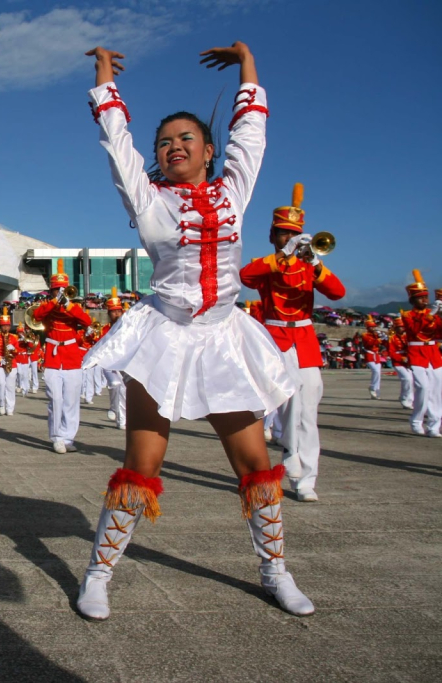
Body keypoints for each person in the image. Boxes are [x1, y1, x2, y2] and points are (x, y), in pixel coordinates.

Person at [77, 42, 312, 620]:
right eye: (165, 142)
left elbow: (251, 133)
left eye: (187, 139)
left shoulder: (234, 191)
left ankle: (275, 571)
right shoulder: (148, 199)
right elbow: (116, 142)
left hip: (224, 339)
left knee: (256, 463)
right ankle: (99, 575)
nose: (175, 146)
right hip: (164, 335)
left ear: (209, 150)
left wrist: (248, 63)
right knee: (143, 465)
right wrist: (105, 77)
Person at [239, 184, 346, 502]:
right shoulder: (270, 263)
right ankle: (290, 454)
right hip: (276, 339)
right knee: (286, 407)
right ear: (273, 236)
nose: (291, 238)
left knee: (308, 409)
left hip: (304, 339)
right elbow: (245, 276)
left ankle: (306, 479)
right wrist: (281, 256)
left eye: (295, 233)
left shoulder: (310, 266)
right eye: (284, 233)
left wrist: (315, 263)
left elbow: (338, 293)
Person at [31, 261, 93, 453]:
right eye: (56, 290)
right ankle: (57, 436)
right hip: (52, 357)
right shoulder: (48, 306)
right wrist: (53, 303)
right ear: (51, 291)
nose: (60, 293)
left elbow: (87, 320)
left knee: (71, 400)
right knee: (55, 399)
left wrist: (69, 305)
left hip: (72, 357)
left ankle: (68, 437)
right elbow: (37, 316)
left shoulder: (73, 307)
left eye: (63, 290)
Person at [401, 270, 441, 436]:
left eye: (426, 297)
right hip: (416, 352)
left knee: (437, 389)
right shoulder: (407, 315)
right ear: (413, 299)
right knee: (423, 387)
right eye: (421, 298)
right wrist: (430, 315)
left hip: (433, 353)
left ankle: (434, 425)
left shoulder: (434, 314)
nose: (425, 300)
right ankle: (416, 420)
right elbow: (414, 329)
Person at [96, 289, 127, 430]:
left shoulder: (127, 328)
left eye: (119, 311)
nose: (117, 314)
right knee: (115, 384)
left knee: (124, 390)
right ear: (109, 313)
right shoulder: (105, 330)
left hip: (124, 363)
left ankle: (119, 415)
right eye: (114, 312)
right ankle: (117, 413)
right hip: (109, 363)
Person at [0, 307, 21, 416]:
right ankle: (2, 404)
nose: (5, 327)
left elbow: (17, 352)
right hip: (0, 363)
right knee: (1, 384)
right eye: (4, 325)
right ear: (1, 326)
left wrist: (14, 349)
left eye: (7, 325)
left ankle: (10, 408)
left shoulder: (14, 337)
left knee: (10, 386)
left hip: (11, 363)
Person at [388, 315, 413, 410]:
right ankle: (405, 399)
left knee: (411, 380)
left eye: (403, 327)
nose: (401, 329)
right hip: (398, 362)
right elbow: (391, 352)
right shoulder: (392, 338)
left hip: (408, 360)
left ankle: (407, 398)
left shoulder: (408, 337)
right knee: (407, 379)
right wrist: (401, 358)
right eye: (399, 327)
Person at [359, 316, 384, 399]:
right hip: (369, 354)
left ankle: (376, 389)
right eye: (371, 327)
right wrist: (378, 339)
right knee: (375, 371)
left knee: (379, 373)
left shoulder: (376, 334)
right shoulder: (364, 335)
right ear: (368, 327)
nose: (373, 328)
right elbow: (369, 343)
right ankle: (372, 387)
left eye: (374, 327)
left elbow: (382, 343)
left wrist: (384, 338)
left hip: (376, 355)